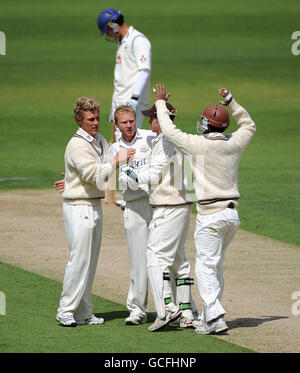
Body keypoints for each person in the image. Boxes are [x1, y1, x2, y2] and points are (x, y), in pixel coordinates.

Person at [151, 83, 256, 334]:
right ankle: (211, 314)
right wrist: (232, 102)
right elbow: (249, 125)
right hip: (232, 215)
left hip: (210, 216)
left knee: (205, 267)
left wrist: (160, 104)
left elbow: (168, 129)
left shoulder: (197, 144)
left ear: (207, 125)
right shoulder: (234, 142)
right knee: (215, 265)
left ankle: (215, 318)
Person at [56, 96, 135, 327]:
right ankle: (65, 310)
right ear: (79, 120)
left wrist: (71, 179)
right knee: (78, 260)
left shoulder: (99, 140)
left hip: (94, 204)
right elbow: (94, 174)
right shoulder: (77, 144)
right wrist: (116, 161)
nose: (96, 122)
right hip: (78, 206)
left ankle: (83, 312)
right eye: (91, 119)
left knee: (90, 262)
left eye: (98, 118)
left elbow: (101, 171)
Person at [120, 102, 197, 332]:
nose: (148, 121)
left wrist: (131, 174)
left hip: (168, 206)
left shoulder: (166, 142)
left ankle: (166, 310)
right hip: (180, 205)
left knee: (154, 256)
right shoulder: (175, 139)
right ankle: (186, 313)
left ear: (159, 119)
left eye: (151, 117)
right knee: (179, 261)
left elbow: (154, 174)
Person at [108, 105, 155, 325]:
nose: (129, 126)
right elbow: (102, 175)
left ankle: (179, 309)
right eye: (124, 122)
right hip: (133, 208)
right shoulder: (114, 149)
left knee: (166, 257)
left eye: (132, 121)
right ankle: (137, 310)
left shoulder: (149, 137)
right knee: (138, 259)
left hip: (157, 204)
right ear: (116, 125)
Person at [97, 8, 151, 144]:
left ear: (113, 25)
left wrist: (134, 98)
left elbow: (144, 70)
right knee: (120, 143)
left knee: (129, 142)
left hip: (132, 101)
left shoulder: (138, 40)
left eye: (107, 31)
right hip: (120, 100)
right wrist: (114, 105)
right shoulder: (122, 42)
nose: (108, 35)